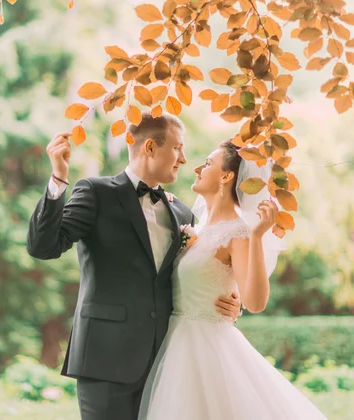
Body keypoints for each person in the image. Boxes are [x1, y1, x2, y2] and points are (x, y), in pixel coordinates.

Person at [26, 113, 241, 420]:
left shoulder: (181, 213)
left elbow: (198, 272)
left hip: (167, 364)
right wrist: (60, 177)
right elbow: (43, 246)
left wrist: (230, 298)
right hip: (105, 360)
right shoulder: (95, 192)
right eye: (178, 148)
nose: (183, 158)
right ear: (150, 147)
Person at [138, 139, 328, 420]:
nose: (197, 168)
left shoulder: (238, 233)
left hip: (207, 346)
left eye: (208, 163)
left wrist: (256, 235)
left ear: (226, 176)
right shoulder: (195, 228)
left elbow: (255, 302)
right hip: (177, 341)